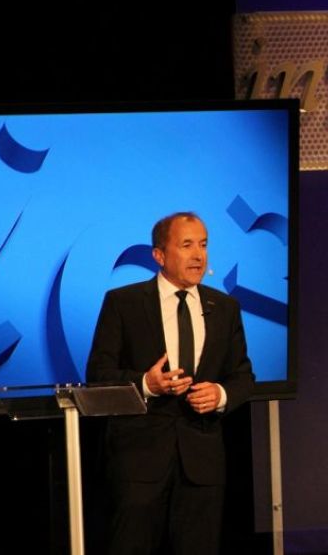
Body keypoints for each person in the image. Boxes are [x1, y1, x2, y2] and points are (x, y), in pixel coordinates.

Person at [86, 211, 255, 555]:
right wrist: (147, 384)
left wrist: (220, 394)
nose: (198, 255)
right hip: (139, 460)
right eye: (187, 245)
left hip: (202, 461)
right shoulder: (124, 303)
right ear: (159, 255)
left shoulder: (225, 307)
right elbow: (98, 374)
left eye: (204, 245)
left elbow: (242, 376)